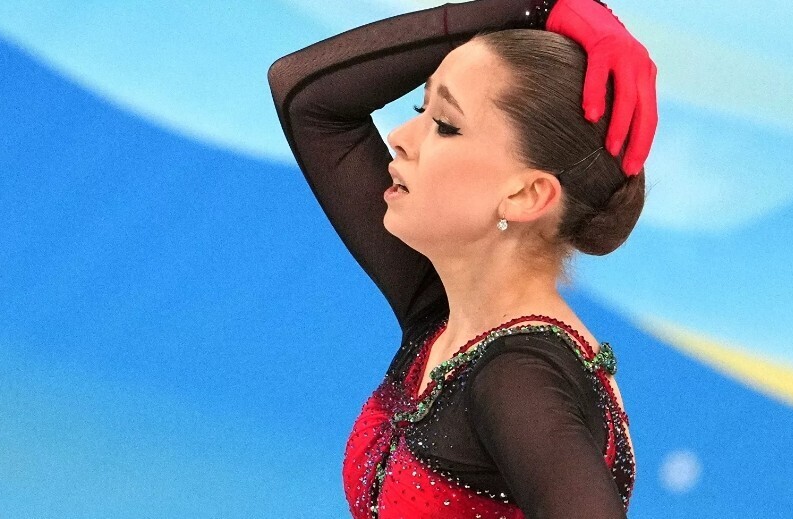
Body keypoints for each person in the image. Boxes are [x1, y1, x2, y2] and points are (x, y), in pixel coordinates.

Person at [267, 0, 658, 516]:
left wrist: (536, 8)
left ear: (526, 195)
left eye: (445, 125)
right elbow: (308, 99)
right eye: (420, 110)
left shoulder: (517, 377)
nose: (400, 139)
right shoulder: (447, 318)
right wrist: (536, 8)